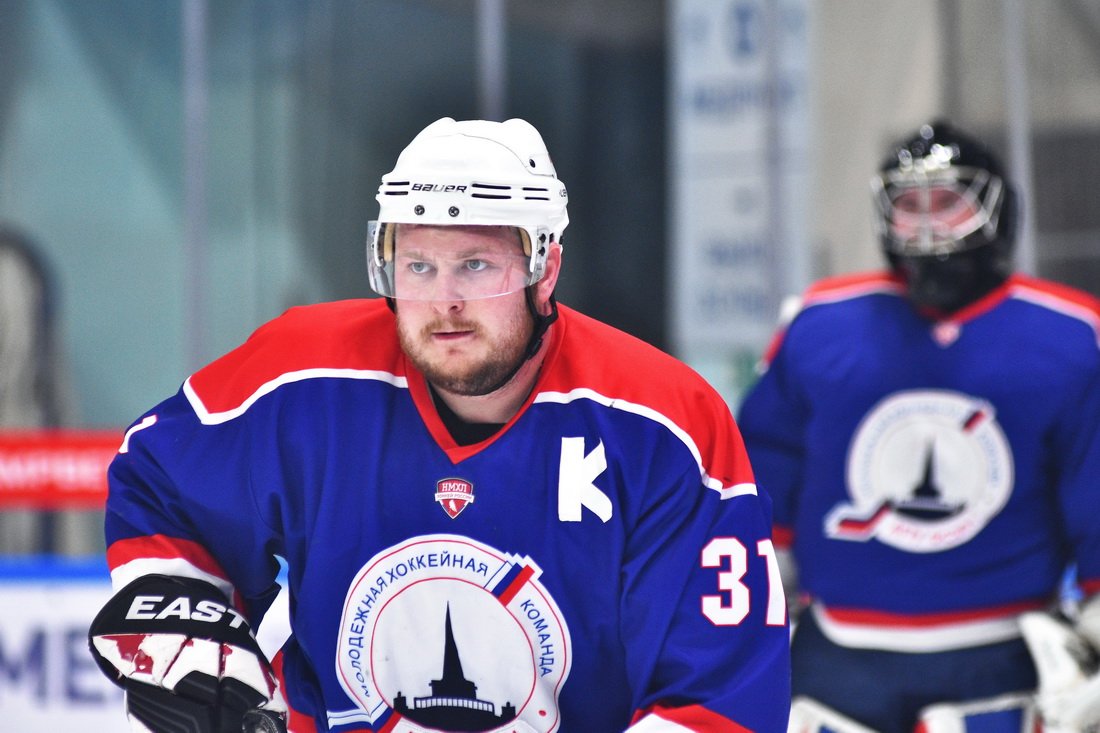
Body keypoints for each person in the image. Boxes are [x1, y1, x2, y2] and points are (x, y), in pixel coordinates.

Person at [88, 117, 791, 733]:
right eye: (418, 266)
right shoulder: (302, 381)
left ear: (545, 270)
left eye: (476, 265)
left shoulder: (663, 427)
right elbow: (160, 481)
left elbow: (720, 699)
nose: (444, 300)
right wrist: (186, 615)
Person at [737, 120, 1100, 733]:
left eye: (949, 203)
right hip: (840, 657)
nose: (930, 227)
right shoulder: (820, 325)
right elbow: (762, 473)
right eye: (910, 206)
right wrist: (750, 592)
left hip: (1004, 655)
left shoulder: (1070, 334)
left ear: (997, 210)